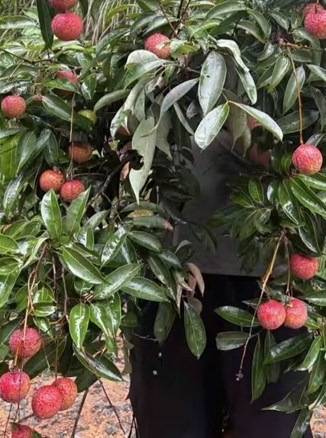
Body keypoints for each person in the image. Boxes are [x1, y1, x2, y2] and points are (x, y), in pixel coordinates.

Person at [128, 138, 313, 438]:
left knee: (271, 429)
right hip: (169, 273)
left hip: (271, 285)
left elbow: (303, 160)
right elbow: (125, 136)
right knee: (171, 427)